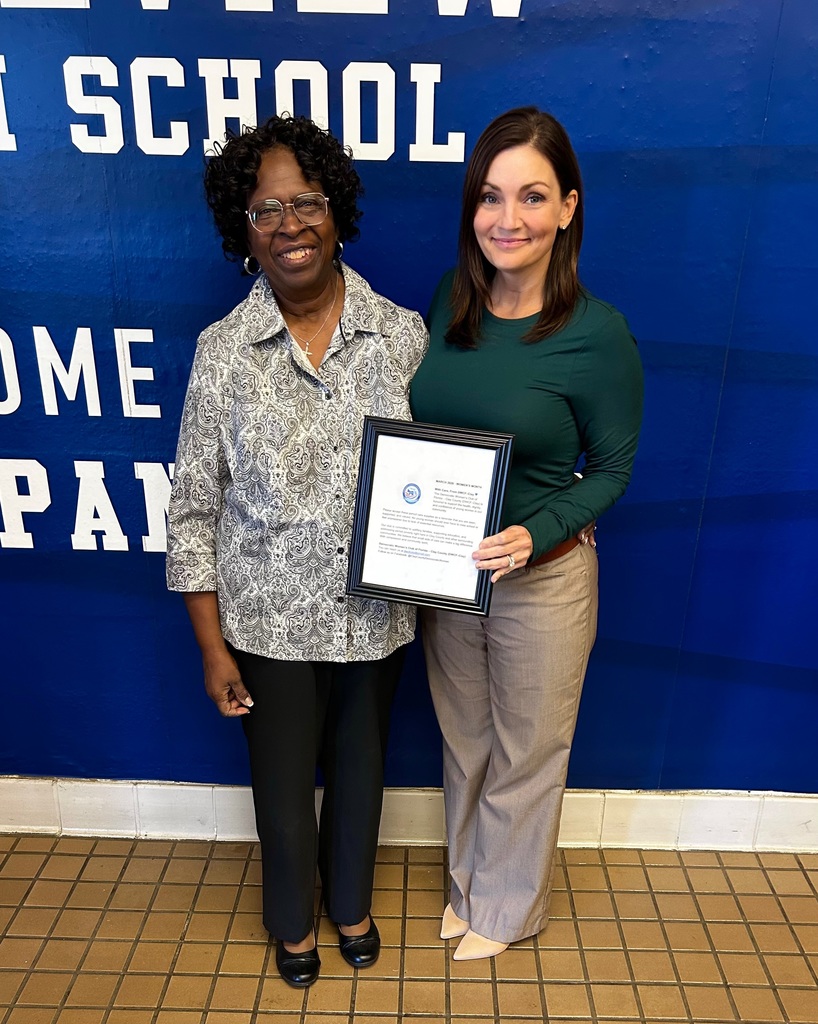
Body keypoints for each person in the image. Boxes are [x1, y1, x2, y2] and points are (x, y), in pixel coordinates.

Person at [166, 114, 427, 987]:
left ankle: (349, 903)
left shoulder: (401, 336)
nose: (289, 225)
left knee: (361, 775)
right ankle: (293, 924)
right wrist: (211, 647)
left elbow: (439, 476)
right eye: (265, 209)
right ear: (243, 230)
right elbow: (195, 508)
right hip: (265, 626)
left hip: (375, 617)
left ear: (336, 211)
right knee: (283, 800)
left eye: (305, 202)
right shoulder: (221, 354)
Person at [410, 107, 643, 961]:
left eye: (532, 197)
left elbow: (613, 471)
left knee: (527, 750)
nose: (507, 220)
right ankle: (470, 888)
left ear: (568, 209)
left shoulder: (596, 334)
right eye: (490, 197)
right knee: (465, 740)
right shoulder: (449, 299)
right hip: (449, 572)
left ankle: (507, 911)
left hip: (541, 579)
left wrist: (534, 531)